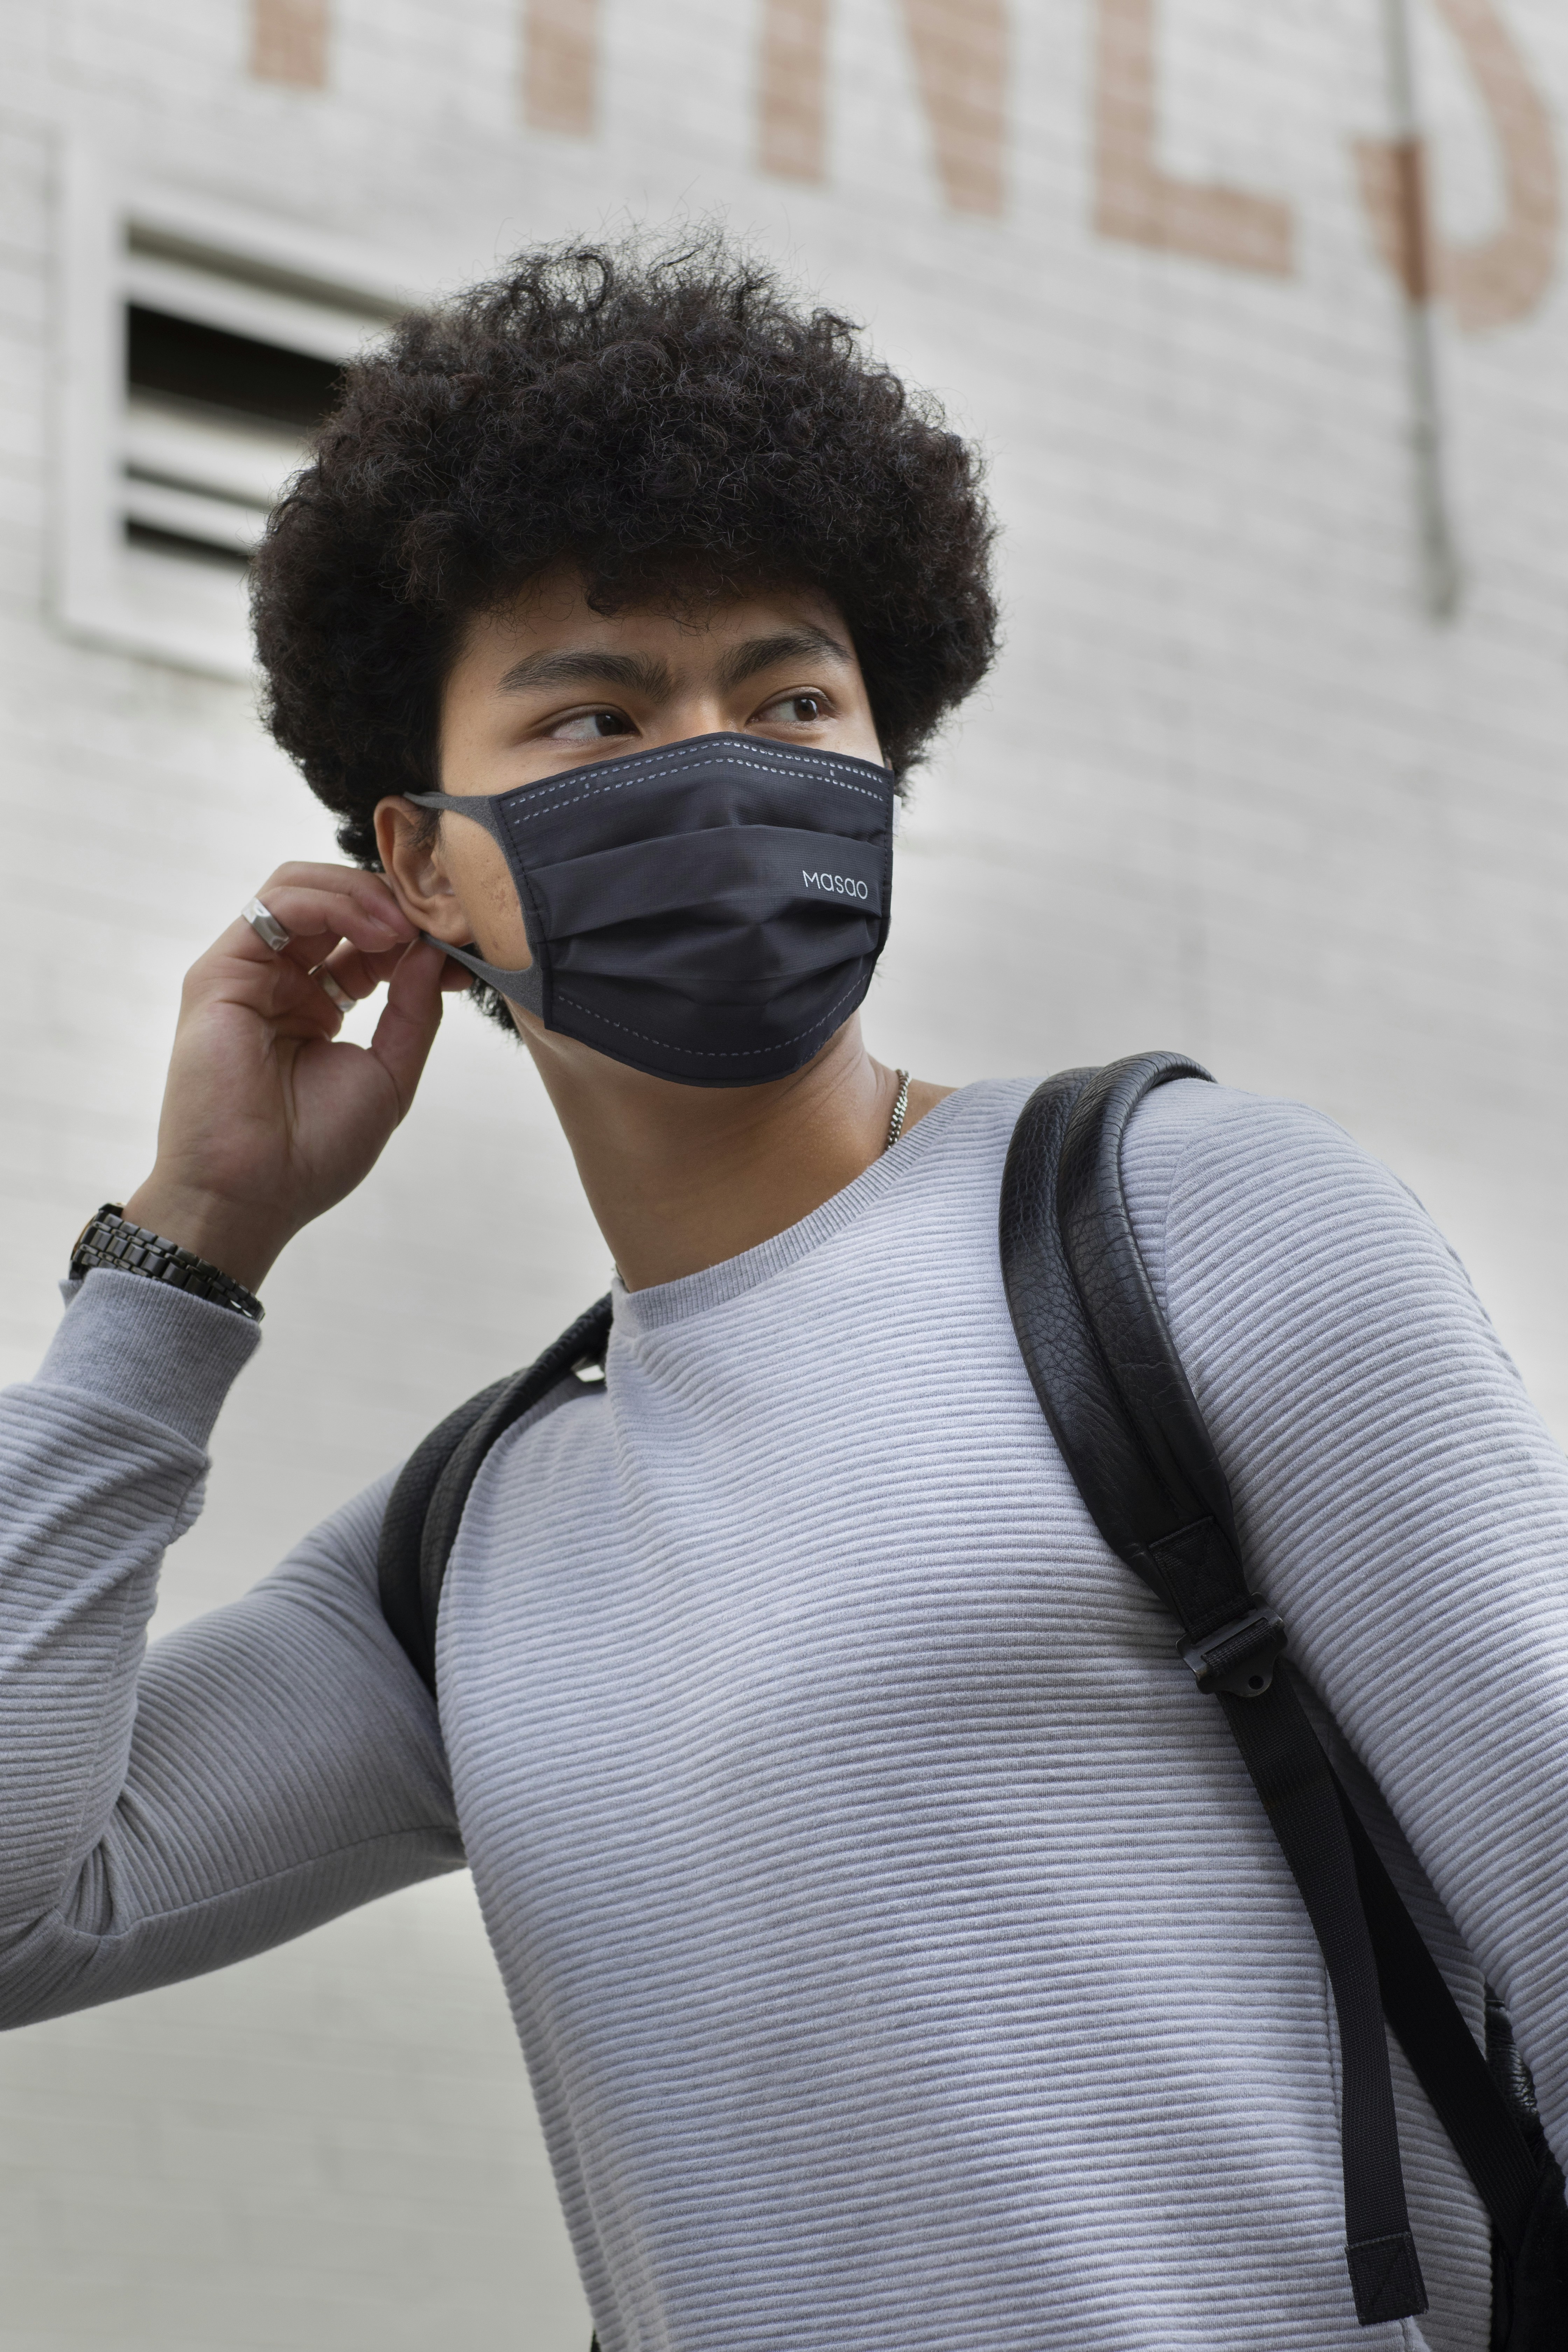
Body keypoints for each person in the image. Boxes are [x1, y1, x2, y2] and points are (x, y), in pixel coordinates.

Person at [1, 233, 1563, 2352]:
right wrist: (185, 1257)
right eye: (602, 709)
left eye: (791, 694)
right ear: (427, 864)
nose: (719, 762)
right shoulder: (469, 1550)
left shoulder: (1195, 1227)